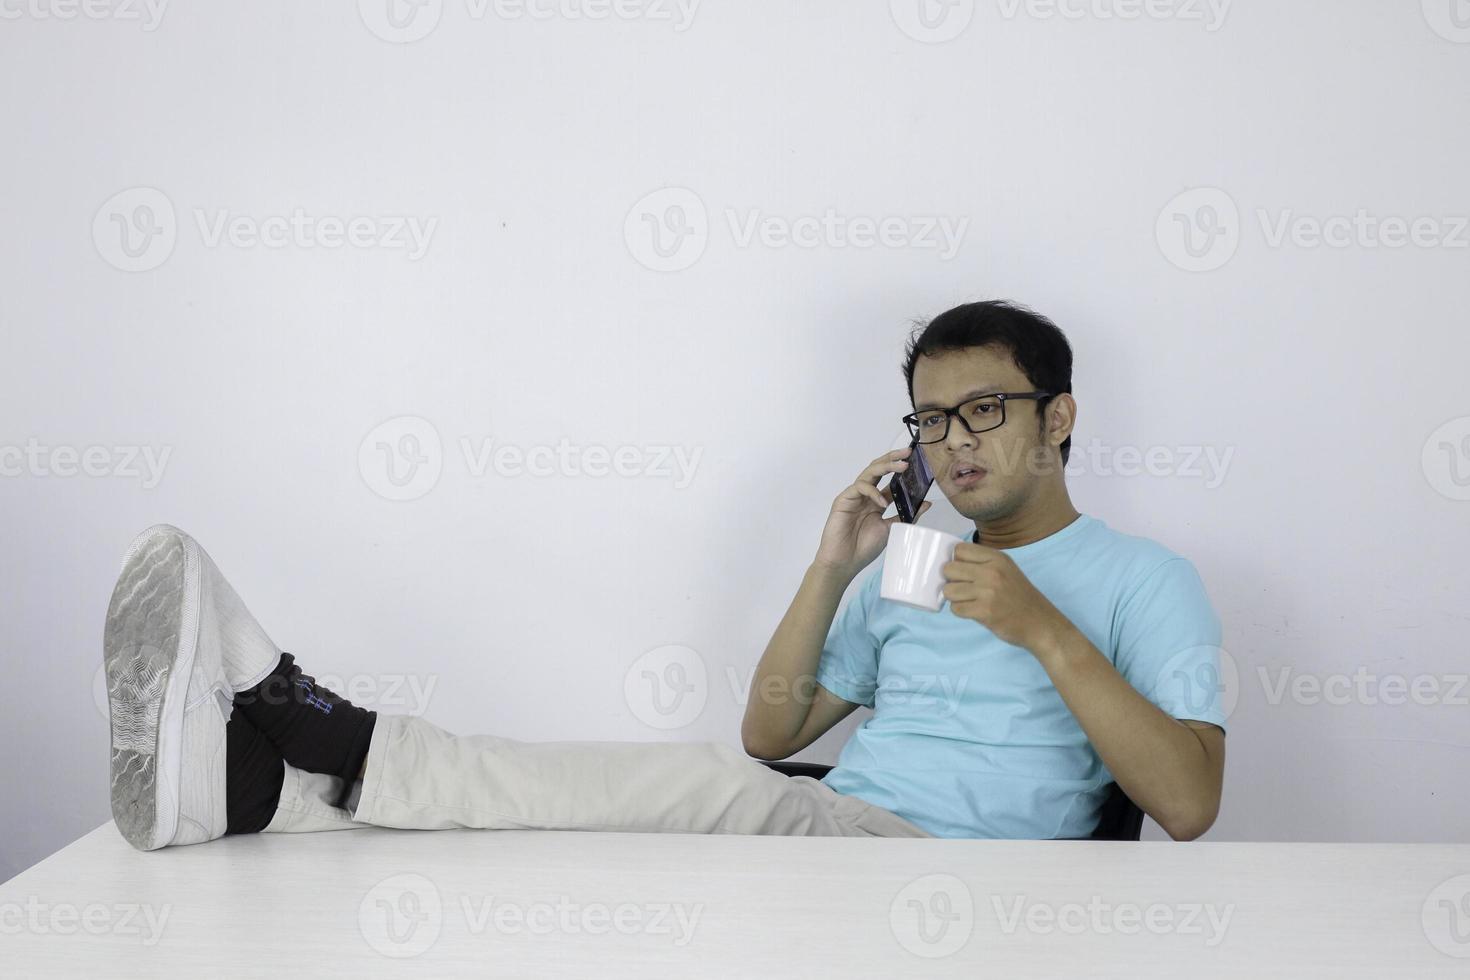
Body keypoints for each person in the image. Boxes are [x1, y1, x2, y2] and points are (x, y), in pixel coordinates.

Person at [102, 299, 1226, 851]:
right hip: (839, 838)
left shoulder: (1145, 579)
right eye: (933, 418)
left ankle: (323, 734)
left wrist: (1045, 630)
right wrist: (831, 569)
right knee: (617, 838)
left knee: (697, 790)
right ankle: (278, 799)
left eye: (983, 408)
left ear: (1059, 414)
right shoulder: (921, 568)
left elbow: (1188, 803)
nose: (956, 440)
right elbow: (770, 734)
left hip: (965, 877)